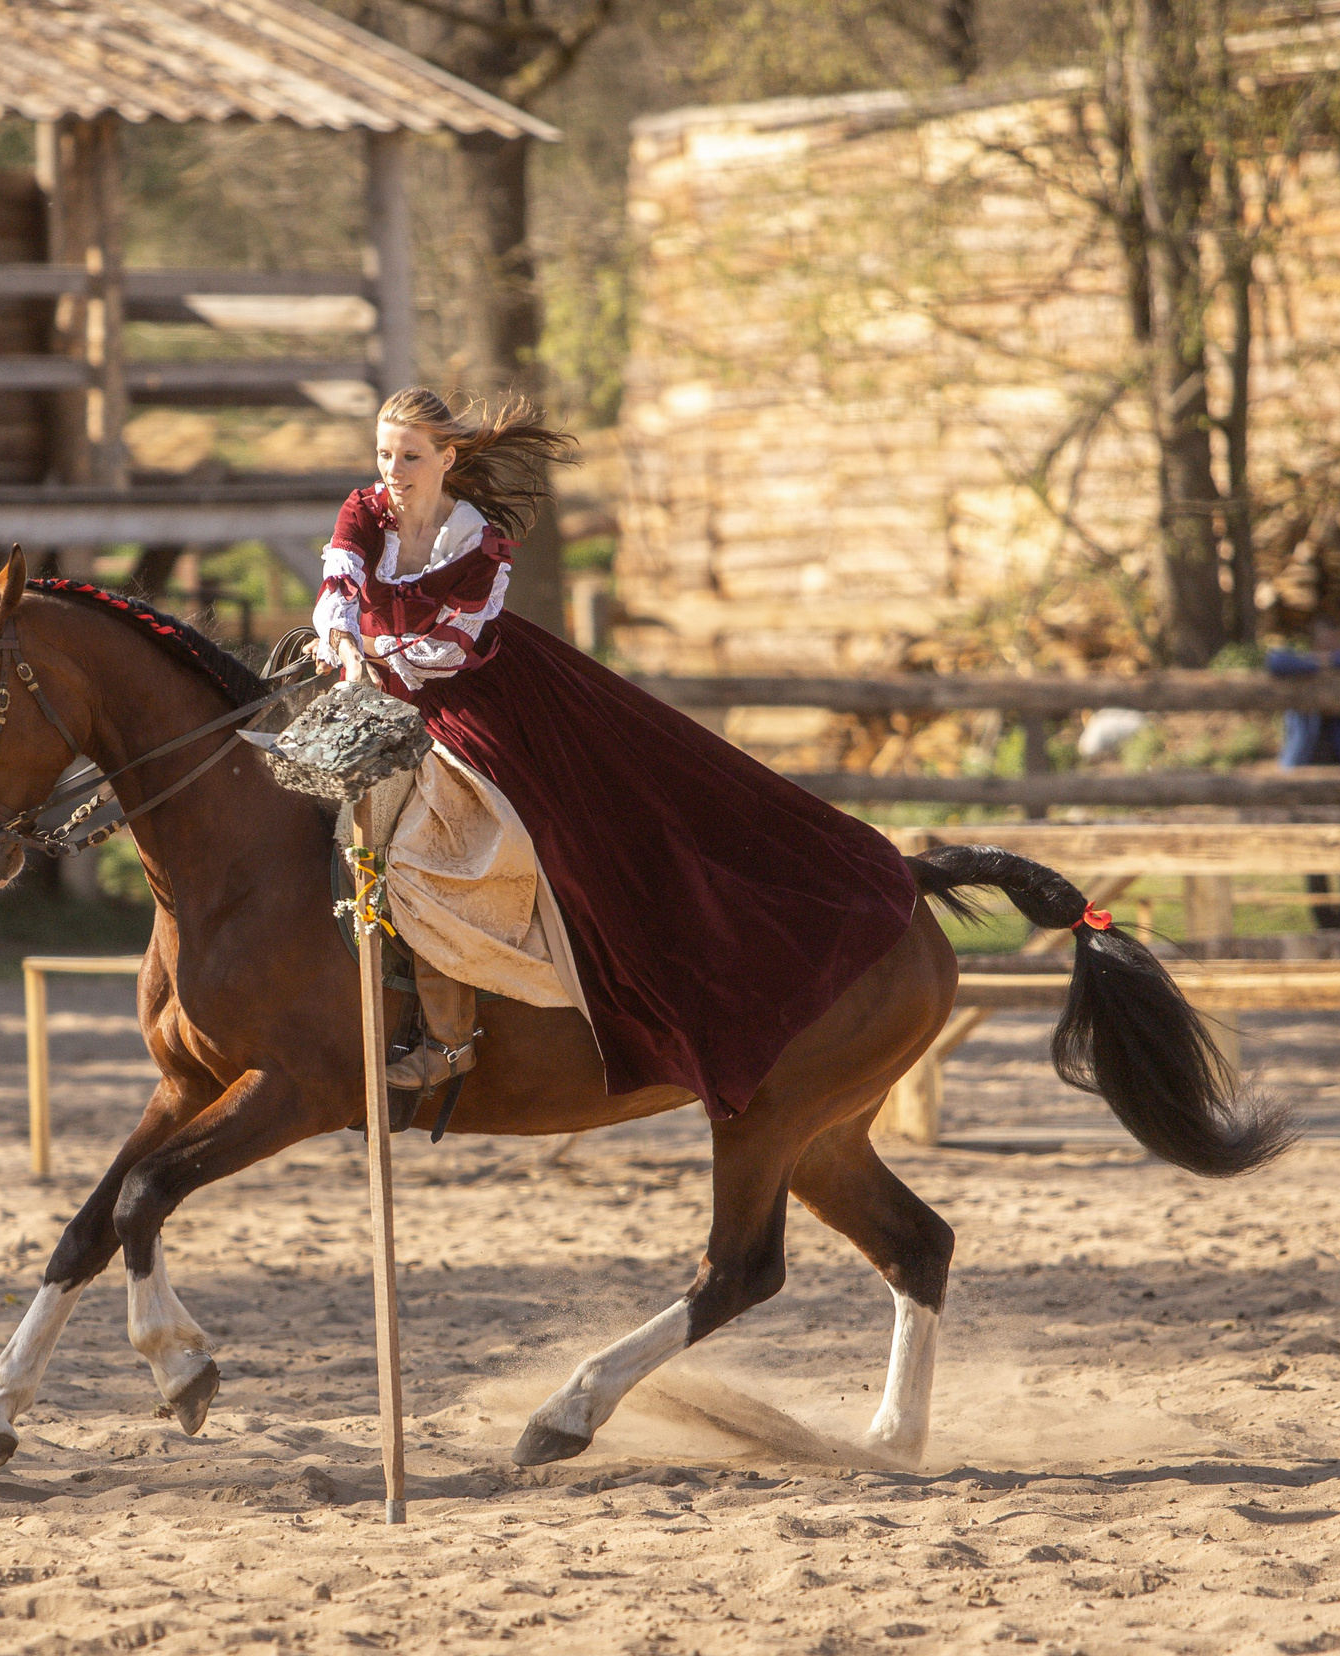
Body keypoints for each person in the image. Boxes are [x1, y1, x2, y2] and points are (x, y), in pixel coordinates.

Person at [312, 388, 922, 1118]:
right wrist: (344, 641)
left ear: (447, 458)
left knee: (463, 844)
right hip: (366, 685)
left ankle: (449, 1038)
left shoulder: (478, 543)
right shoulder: (365, 511)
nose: (393, 469)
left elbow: (450, 648)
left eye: (409, 455)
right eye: (383, 453)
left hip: (473, 696)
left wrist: (369, 646)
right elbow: (340, 585)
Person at [1267, 609, 1340, 930]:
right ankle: (1326, 932)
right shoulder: (1302, 669)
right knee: (1312, 858)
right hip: (1306, 779)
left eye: (1337, 638)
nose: (1331, 645)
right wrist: (1320, 663)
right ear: (1314, 639)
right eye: (1324, 638)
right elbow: (1274, 661)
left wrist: (1332, 662)